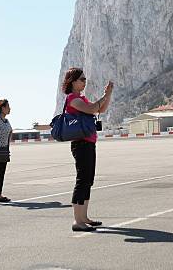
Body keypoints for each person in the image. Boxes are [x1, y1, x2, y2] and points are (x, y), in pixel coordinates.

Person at [61, 67, 113, 232]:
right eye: (82, 79)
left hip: (88, 143)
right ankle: (78, 221)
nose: (85, 82)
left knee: (88, 180)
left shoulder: (81, 98)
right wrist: (104, 96)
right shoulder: (72, 99)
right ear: (73, 81)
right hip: (81, 144)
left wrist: (108, 94)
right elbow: (92, 109)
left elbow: (100, 109)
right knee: (82, 180)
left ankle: (84, 217)